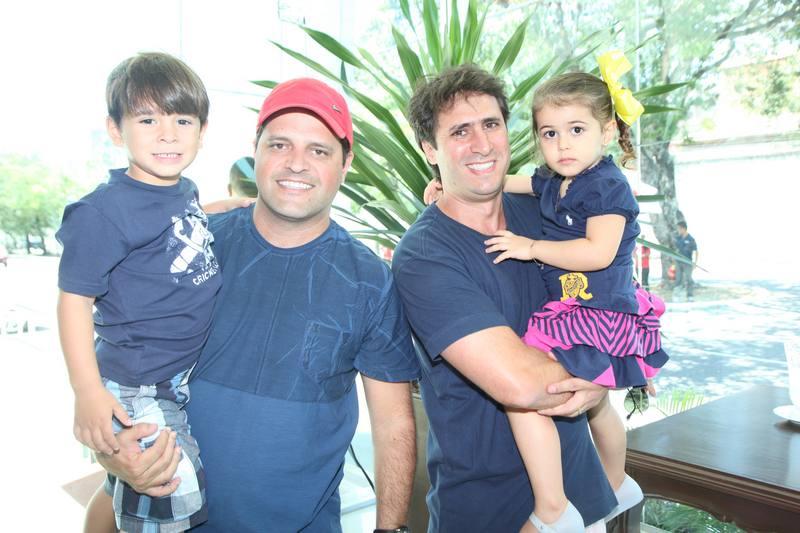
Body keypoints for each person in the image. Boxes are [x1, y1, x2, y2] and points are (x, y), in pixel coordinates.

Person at [96, 77, 420, 533]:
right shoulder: (191, 248)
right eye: (280, 144)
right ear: (257, 150)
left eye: (319, 150)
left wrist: (390, 529)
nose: (296, 163)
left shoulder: (370, 280)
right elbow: (118, 363)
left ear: (346, 163)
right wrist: (112, 453)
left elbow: (393, 425)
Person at [393, 64, 617, 533]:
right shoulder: (425, 255)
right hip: (489, 507)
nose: (481, 144)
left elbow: (614, 288)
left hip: (581, 496)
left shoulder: (547, 212)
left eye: (491, 124)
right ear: (430, 150)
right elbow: (520, 384)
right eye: (460, 132)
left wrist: (613, 359)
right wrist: (604, 367)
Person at [478, 53, 669, 531]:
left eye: (576, 130)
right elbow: (509, 181)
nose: (562, 144)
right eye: (549, 133)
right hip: (577, 306)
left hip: (598, 312)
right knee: (595, 402)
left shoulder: (607, 186)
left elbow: (598, 252)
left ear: (607, 132)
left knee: (525, 393)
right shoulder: (554, 179)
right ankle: (618, 483)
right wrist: (457, 184)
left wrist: (530, 248)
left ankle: (552, 507)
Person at [56, 52, 218, 532]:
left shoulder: (182, 191)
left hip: (175, 377)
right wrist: (86, 391)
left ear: (202, 131)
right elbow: (73, 302)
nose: (167, 134)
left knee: (122, 490)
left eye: (182, 120)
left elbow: (172, 227)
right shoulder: (101, 214)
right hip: (138, 382)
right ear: (115, 130)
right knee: (170, 490)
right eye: (148, 120)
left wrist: (229, 206)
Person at [674, 220, 698, 300]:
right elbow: (675, 249)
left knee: (688, 279)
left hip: (688, 262)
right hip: (678, 262)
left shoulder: (691, 239)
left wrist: (695, 262)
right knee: (678, 279)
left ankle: (690, 295)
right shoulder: (678, 238)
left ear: (683, 228)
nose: (678, 230)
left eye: (679, 229)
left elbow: (696, 251)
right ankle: (677, 295)